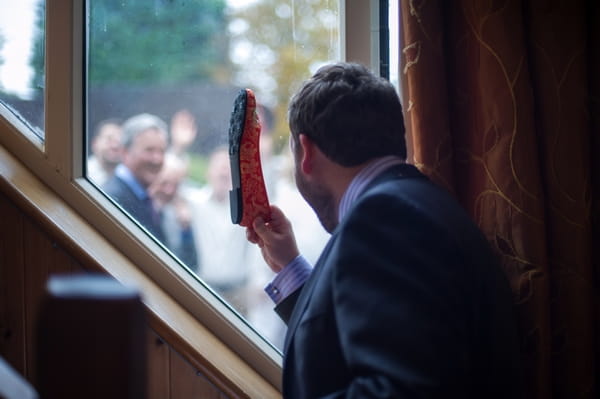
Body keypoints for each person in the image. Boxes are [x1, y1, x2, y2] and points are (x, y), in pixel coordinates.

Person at [246, 63, 522, 398]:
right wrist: (291, 268)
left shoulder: (383, 219)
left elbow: (398, 389)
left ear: (306, 152)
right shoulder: (413, 203)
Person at [189, 146, 253, 313]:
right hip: (205, 289)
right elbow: (169, 180)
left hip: (239, 292)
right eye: (219, 166)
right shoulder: (194, 202)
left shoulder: (246, 208)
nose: (224, 170)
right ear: (208, 172)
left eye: (229, 166)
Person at [102, 113, 168, 243]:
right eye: (149, 150)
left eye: (162, 151)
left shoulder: (144, 197)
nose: (157, 159)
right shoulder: (112, 198)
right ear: (125, 152)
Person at [148, 153, 199, 271]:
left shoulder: (177, 216)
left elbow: (191, 264)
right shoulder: (139, 205)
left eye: (175, 185)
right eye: (164, 183)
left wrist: (186, 229)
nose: (169, 191)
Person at [87, 119, 123, 186]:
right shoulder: (82, 175)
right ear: (95, 143)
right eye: (109, 139)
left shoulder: (127, 176)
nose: (115, 146)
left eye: (119, 141)